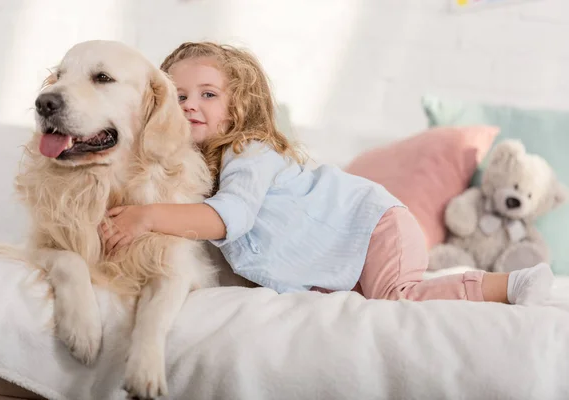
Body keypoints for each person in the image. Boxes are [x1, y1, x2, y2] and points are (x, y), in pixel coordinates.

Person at [100, 41, 553, 305]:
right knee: (381, 294)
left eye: (208, 94)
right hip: (353, 252)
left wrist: (146, 216)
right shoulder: (198, 166)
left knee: (398, 298)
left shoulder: (247, 151)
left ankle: (513, 285)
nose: (190, 105)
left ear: (237, 108)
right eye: (178, 96)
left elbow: (228, 218)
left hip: (376, 225)